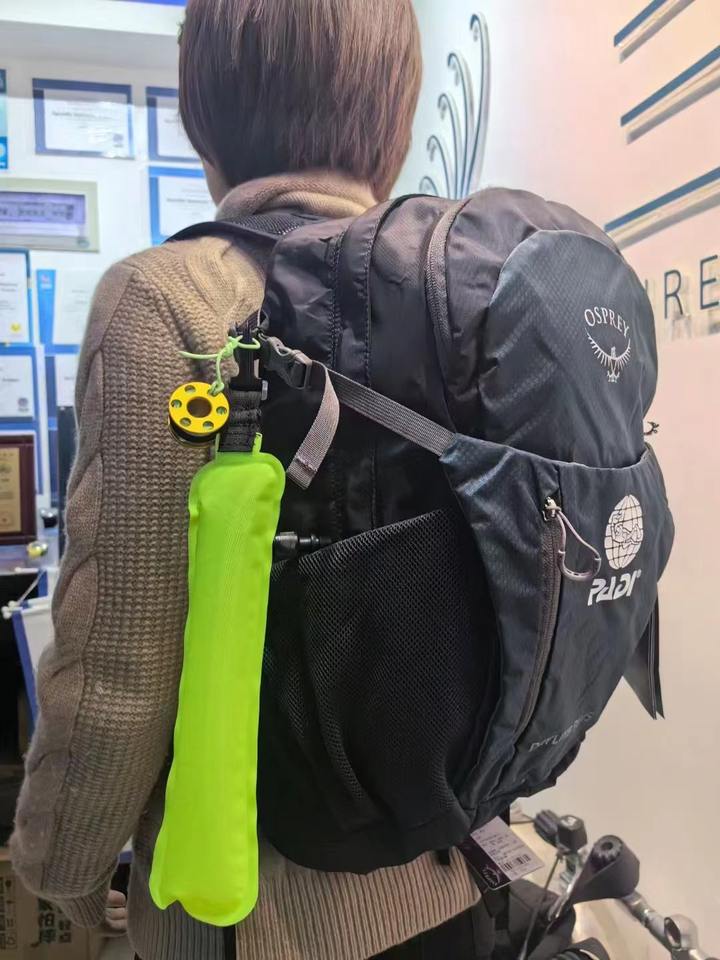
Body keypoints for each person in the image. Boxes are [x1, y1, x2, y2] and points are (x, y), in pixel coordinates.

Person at [10, 1, 484, 957]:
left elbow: (119, 668)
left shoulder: (168, 297)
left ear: (207, 108)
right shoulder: (460, 297)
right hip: (458, 868)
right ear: (395, 109)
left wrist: (58, 868)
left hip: (257, 916)